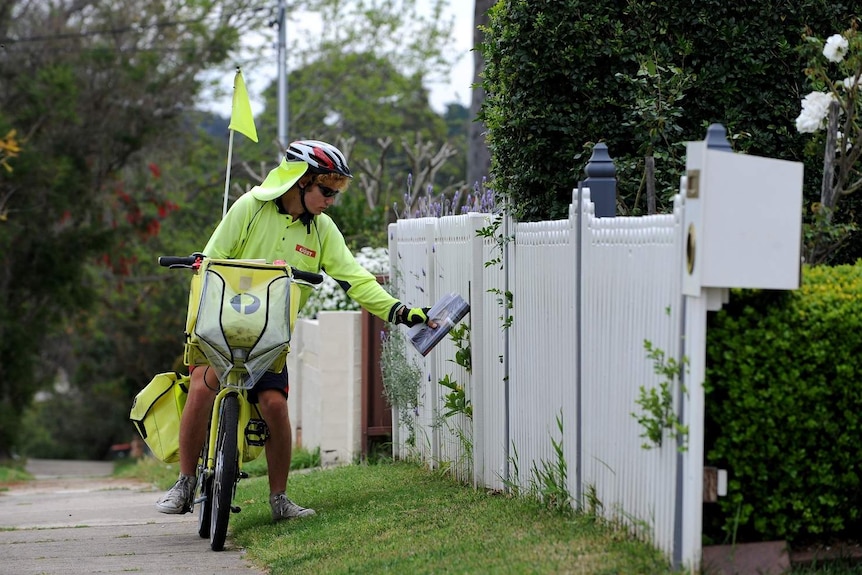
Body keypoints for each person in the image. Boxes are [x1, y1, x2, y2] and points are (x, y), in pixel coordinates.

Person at [156, 139, 435, 521]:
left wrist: (401, 312)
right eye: (326, 190)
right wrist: (199, 263)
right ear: (300, 181)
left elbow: (357, 280)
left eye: (336, 192)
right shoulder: (249, 208)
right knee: (204, 386)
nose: (331, 200)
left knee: (274, 406)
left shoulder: (322, 230)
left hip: (270, 337)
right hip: (219, 327)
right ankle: (185, 482)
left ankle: (279, 499)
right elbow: (211, 259)